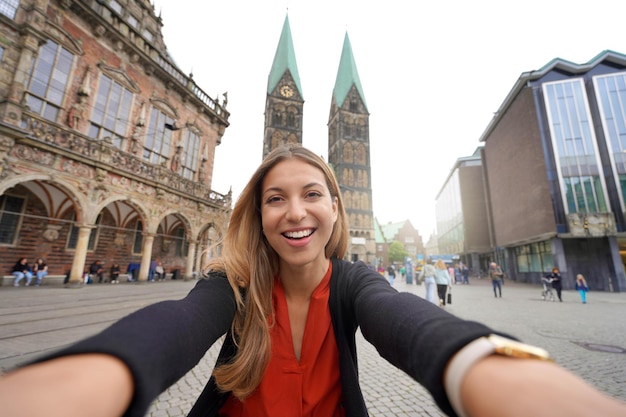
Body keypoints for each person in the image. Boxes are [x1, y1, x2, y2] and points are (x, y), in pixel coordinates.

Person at [1, 144, 625, 417]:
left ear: (336, 208)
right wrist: (88, 381)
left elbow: (410, 324)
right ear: (259, 214)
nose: (295, 212)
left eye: (312, 194)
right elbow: (174, 327)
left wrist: (494, 373)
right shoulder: (231, 286)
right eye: (276, 198)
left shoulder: (355, 284)